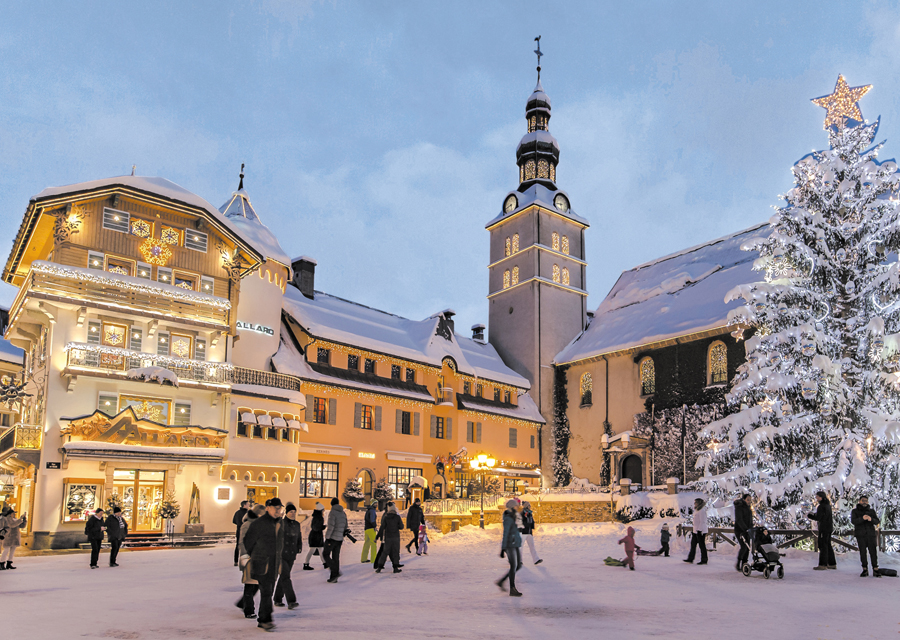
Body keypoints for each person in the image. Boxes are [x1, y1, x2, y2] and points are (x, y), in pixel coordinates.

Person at [243, 498, 285, 632]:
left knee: (268, 592)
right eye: (275, 508)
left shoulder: (279, 523)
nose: (278, 510)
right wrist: (256, 554)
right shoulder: (259, 523)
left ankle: (263, 619)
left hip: (274, 563)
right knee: (266, 592)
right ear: (268, 508)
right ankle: (265, 620)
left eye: (279, 508)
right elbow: (248, 541)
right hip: (263, 563)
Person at [236, 503, 266, 619]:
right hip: (249, 558)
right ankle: (249, 610)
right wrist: (245, 557)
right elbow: (242, 542)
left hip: (259, 557)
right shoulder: (247, 525)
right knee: (249, 584)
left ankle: (242, 603)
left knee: (257, 583)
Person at [274, 503, 301, 610]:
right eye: (291, 512)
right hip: (281, 554)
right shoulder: (281, 523)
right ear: (286, 513)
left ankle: (277, 598)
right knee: (286, 576)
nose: (293, 514)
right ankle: (291, 600)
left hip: (291, 554)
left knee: (284, 577)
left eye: (294, 512)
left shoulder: (297, 524)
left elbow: (299, 536)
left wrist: (299, 547)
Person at [496, 499, 523, 596]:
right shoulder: (508, 518)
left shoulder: (514, 515)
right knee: (513, 565)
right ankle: (512, 589)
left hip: (515, 543)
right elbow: (505, 533)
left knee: (518, 565)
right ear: (512, 507)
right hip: (509, 545)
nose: (518, 507)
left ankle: (501, 581)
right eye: (516, 506)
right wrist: (503, 549)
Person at [851, 495, 881, 577]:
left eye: (866, 501)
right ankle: (864, 569)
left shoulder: (871, 511)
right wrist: (862, 518)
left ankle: (875, 568)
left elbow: (877, 521)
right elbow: (853, 521)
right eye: (863, 500)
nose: (864, 502)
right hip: (860, 535)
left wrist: (871, 519)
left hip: (870, 534)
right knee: (863, 552)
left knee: (873, 552)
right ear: (859, 501)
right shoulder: (855, 511)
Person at [808, 490, 836, 570]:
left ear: (820, 497)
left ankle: (823, 564)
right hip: (829, 527)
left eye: (817, 497)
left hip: (824, 528)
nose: (816, 498)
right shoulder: (828, 505)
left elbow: (819, 517)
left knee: (823, 545)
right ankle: (832, 563)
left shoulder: (822, 506)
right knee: (828, 545)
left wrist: (810, 516)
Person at [374, 503, 405, 573]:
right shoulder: (397, 517)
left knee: (385, 552)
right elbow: (401, 527)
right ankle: (395, 568)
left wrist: (377, 537)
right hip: (396, 537)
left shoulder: (386, 517)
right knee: (395, 552)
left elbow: (382, 528)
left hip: (388, 537)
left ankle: (379, 567)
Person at [323, 497, 347, 583]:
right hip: (340, 539)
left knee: (325, 554)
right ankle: (333, 577)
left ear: (331, 504)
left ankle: (335, 572)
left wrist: (327, 537)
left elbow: (331, 526)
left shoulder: (332, 512)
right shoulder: (343, 513)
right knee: (335, 557)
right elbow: (345, 526)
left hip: (332, 538)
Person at [684, 498, 708, 565]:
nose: (694, 504)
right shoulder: (697, 511)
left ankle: (704, 559)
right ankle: (690, 558)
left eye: (696, 503)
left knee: (702, 545)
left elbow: (702, 521)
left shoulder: (702, 511)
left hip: (701, 531)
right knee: (693, 545)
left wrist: (699, 530)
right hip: (695, 531)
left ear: (699, 503)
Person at [302, 502, 326, 570]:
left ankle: (324, 563)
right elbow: (316, 527)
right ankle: (325, 563)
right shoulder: (319, 518)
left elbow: (314, 527)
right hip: (316, 537)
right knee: (317, 550)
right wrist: (323, 527)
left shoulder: (316, 517)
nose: (324, 511)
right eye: (323, 510)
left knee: (316, 550)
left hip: (315, 536)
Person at [733, 493, 753, 571]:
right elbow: (739, 519)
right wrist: (745, 529)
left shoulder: (748, 508)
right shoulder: (739, 507)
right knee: (744, 546)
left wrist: (751, 528)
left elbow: (750, 520)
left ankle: (744, 564)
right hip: (740, 530)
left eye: (750, 500)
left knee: (747, 547)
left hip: (747, 530)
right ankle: (739, 562)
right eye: (748, 500)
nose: (749, 501)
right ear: (744, 499)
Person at [232, 500, 249, 566]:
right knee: (245, 546)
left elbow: (234, 521)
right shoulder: (248, 513)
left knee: (238, 546)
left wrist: (239, 524)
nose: (248, 505)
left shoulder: (237, 512)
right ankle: (245, 561)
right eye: (247, 504)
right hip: (246, 531)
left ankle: (236, 561)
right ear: (244, 505)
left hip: (239, 530)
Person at [361, 499, 378, 563]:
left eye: (377, 503)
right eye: (375, 503)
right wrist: (374, 526)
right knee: (373, 544)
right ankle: (374, 559)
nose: (376, 504)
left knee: (367, 543)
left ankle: (363, 558)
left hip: (366, 529)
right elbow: (372, 519)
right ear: (372, 504)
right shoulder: (372, 511)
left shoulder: (368, 510)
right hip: (371, 529)